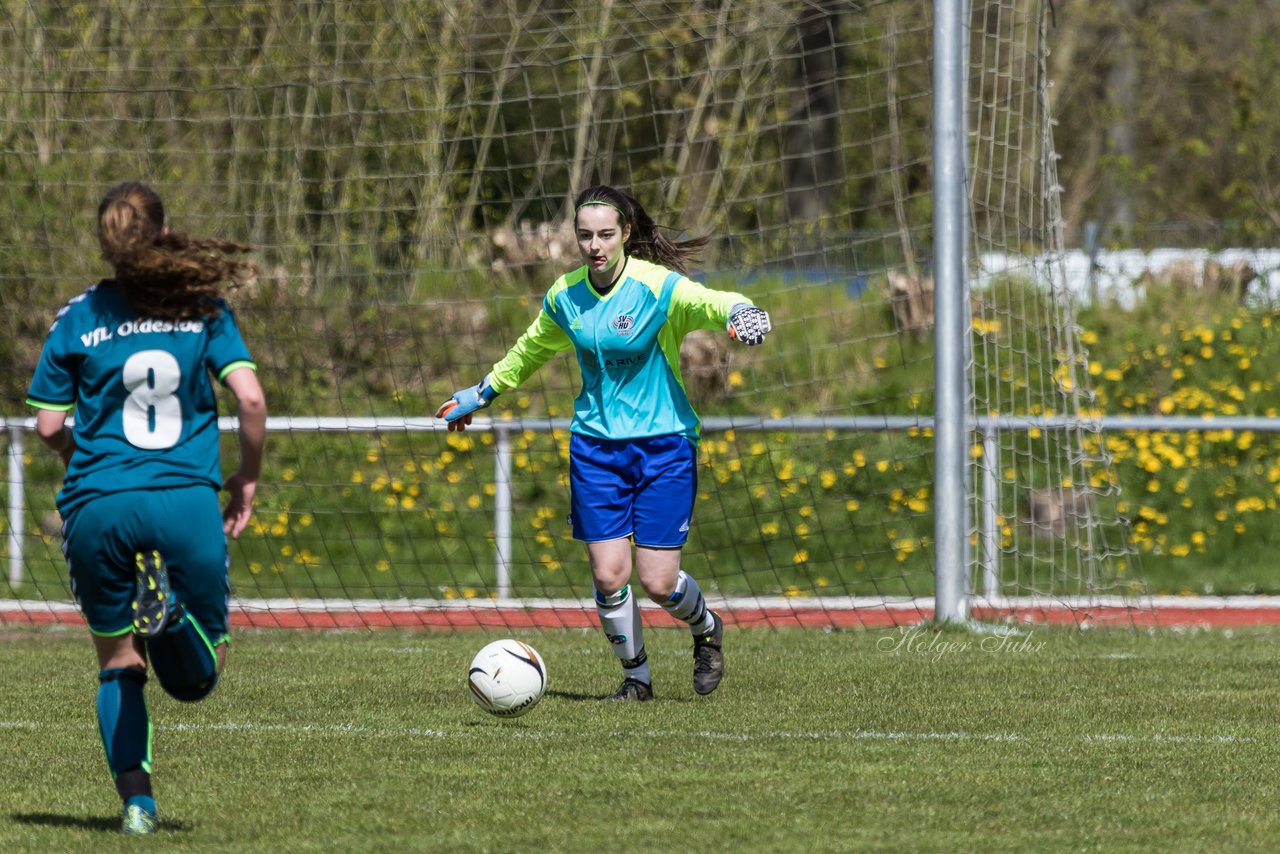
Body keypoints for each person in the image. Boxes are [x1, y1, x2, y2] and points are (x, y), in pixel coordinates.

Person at [437, 184, 771, 701]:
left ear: (626, 234)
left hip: (664, 447)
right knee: (609, 574)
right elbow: (529, 350)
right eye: (585, 235)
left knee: (659, 583)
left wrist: (741, 311)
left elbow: (710, 301)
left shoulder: (657, 286)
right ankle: (636, 680)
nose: (595, 245)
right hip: (595, 449)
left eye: (606, 235)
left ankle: (706, 629)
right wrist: (483, 392)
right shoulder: (565, 295)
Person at [25, 182, 267, 835]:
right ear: (163, 233)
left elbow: (48, 427)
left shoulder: (78, 315)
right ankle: (170, 622)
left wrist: (91, 457)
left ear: (105, 245)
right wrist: (245, 476)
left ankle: (137, 805)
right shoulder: (202, 306)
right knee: (197, 677)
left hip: (97, 505)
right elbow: (249, 399)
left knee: (115, 664)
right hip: (184, 499)